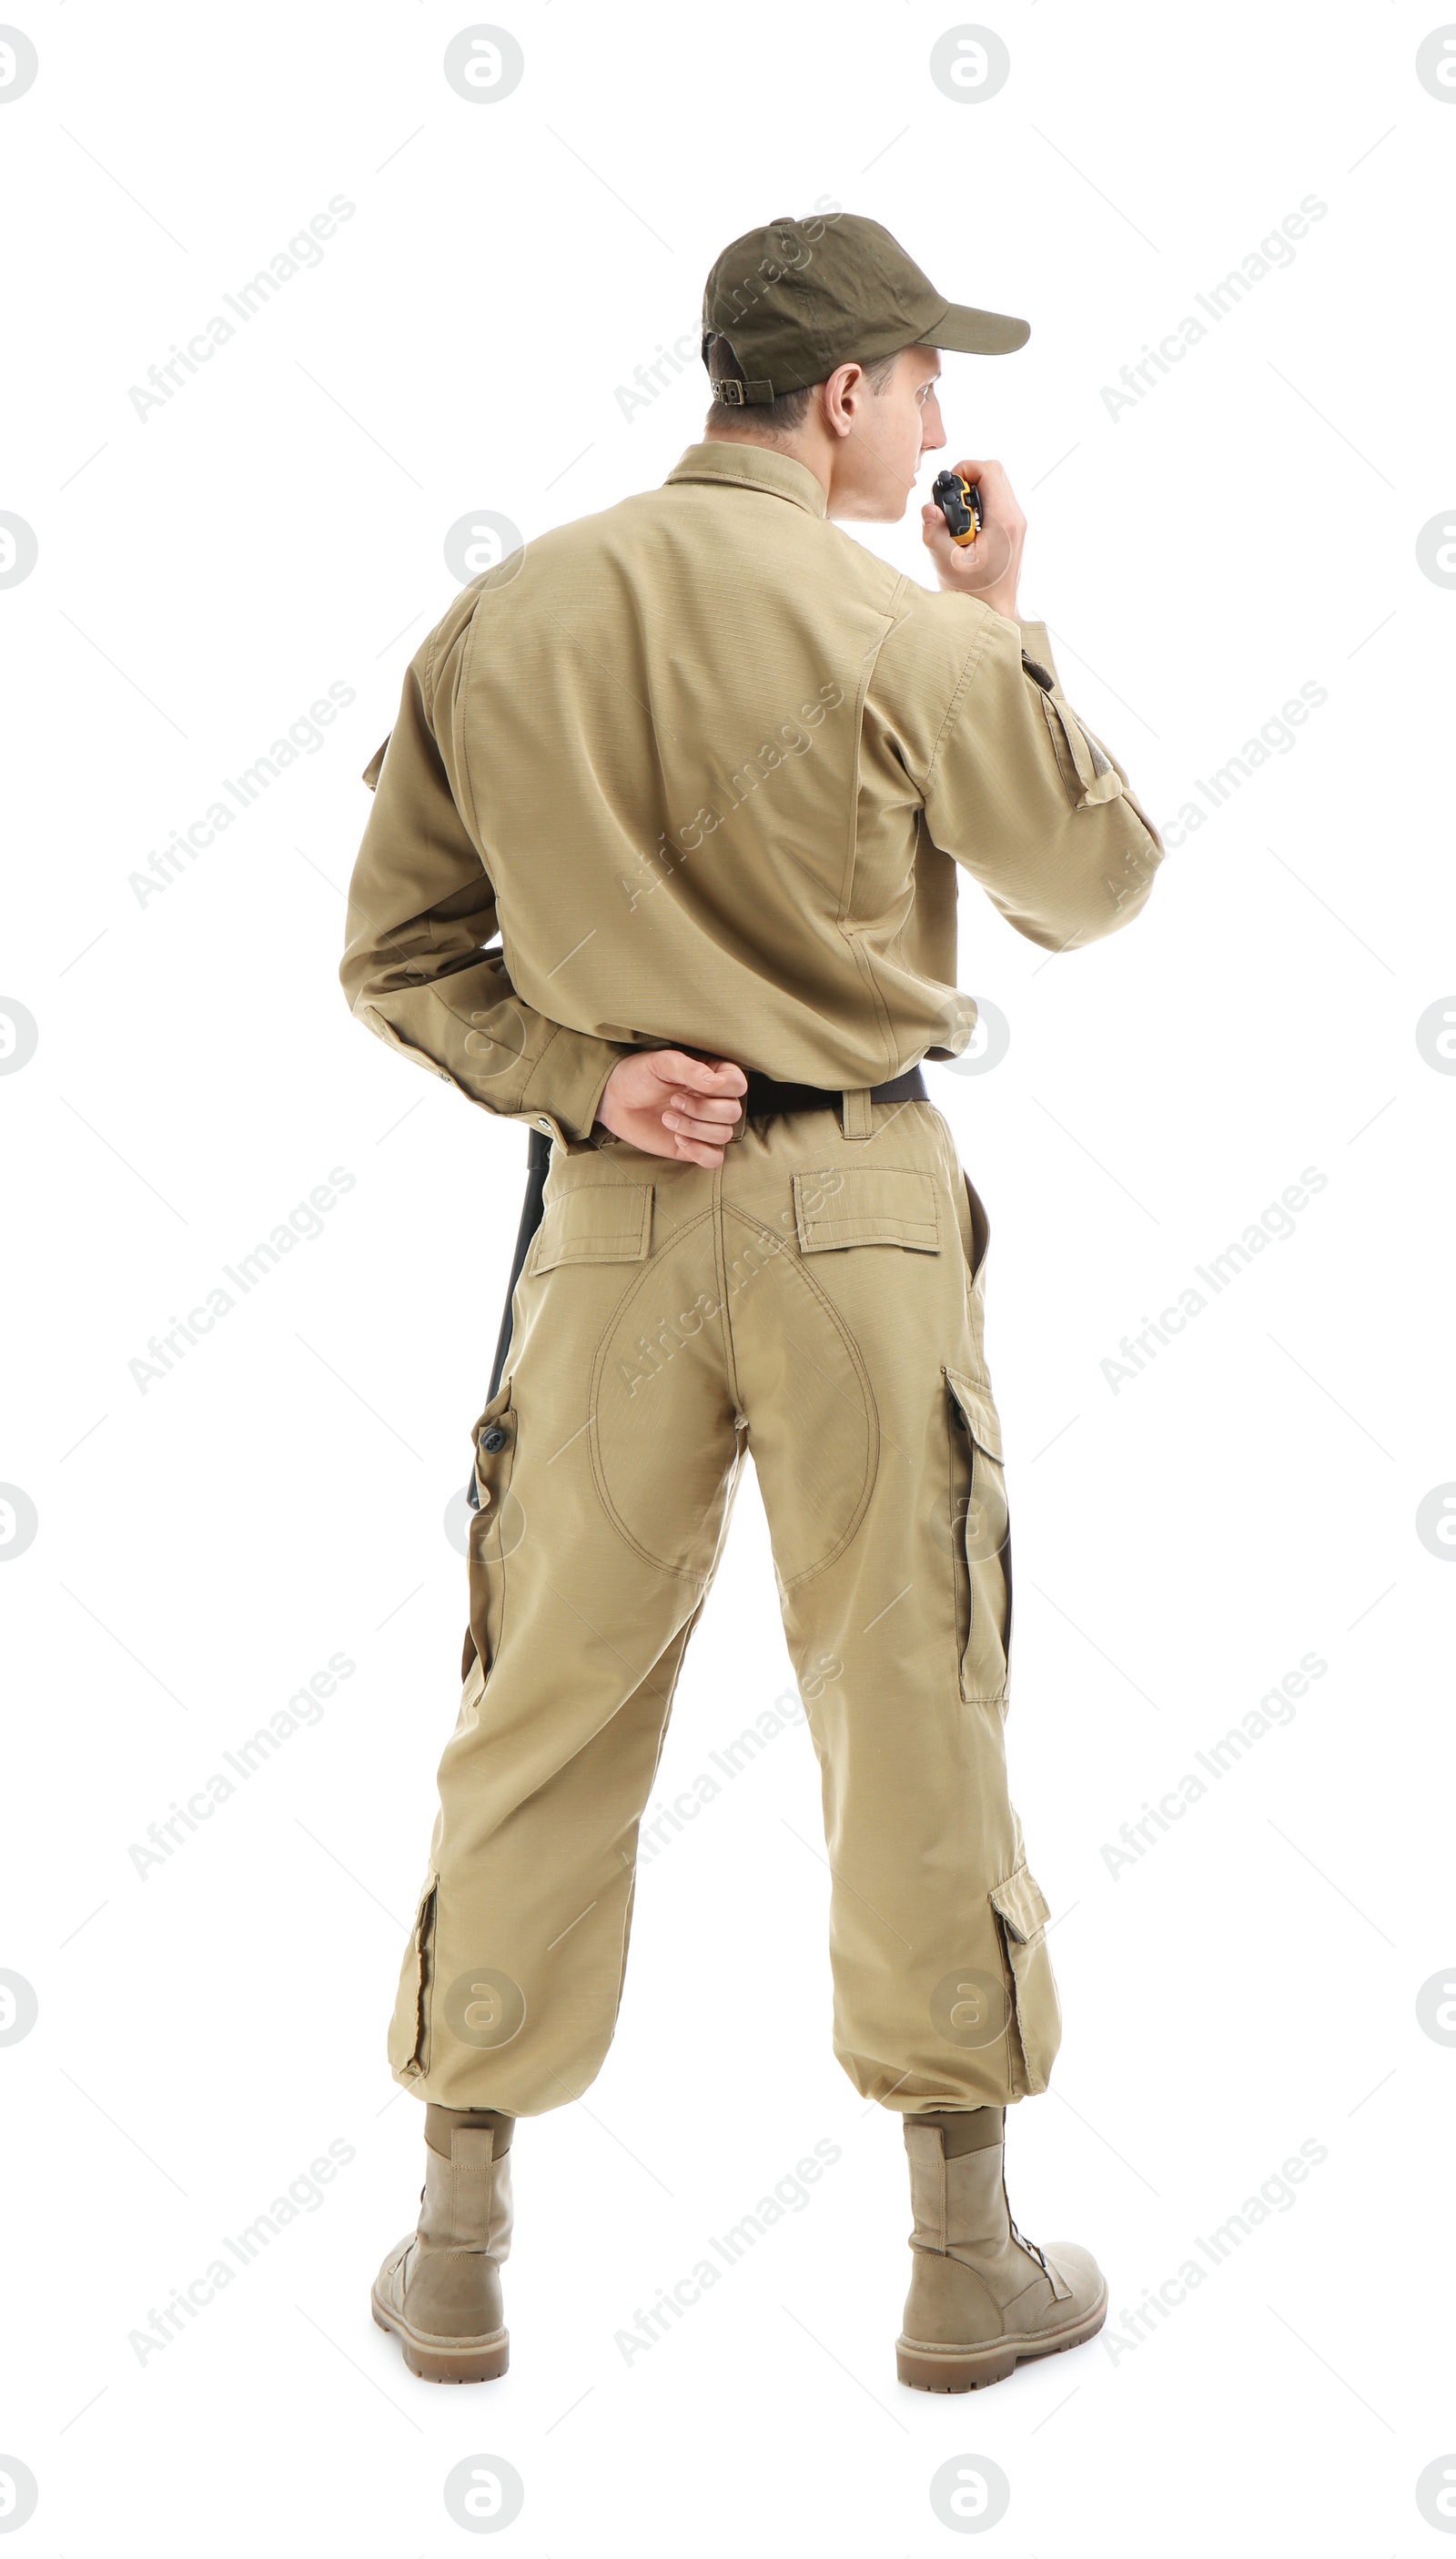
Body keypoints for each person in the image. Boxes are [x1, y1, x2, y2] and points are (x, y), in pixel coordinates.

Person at [339, 209, 1163, 2393]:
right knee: (910, 1689)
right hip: (856, 1217)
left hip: (605, 1214)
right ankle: (959, 2257)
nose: (937, 420)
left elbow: (396, 953)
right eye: (920, 382)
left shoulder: (502, 615)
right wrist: (999, 626)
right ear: (839, 399)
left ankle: (450, 2248)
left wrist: (580, 1072)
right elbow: (1094, 882)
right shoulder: (903, 630)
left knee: (545, 1702)